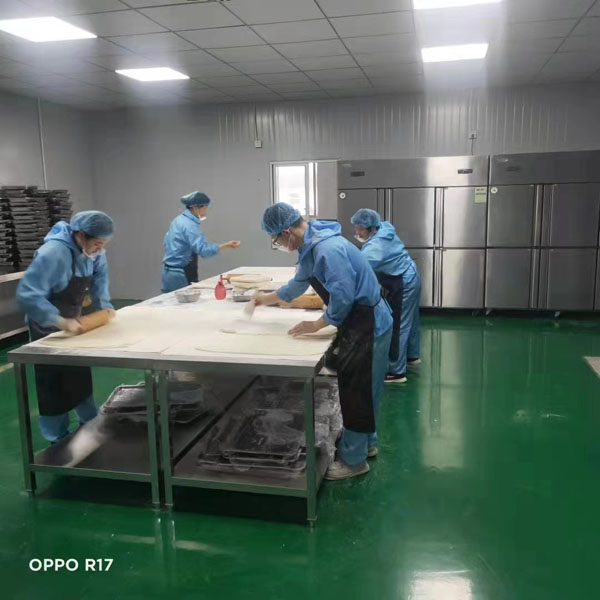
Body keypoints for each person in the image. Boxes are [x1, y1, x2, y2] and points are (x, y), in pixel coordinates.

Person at [255, 202, 393, 481]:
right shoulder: (311, 245)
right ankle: (366, 443)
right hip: (359, 319)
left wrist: (317, 324)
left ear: (286, 232)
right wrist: (264, 298)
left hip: (368, 321)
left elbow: (343, 297)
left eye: (276, 239)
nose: (278, 244)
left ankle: (354, 461)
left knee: (358, 390)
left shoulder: (327, 250)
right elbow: (298, 284)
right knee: (364, 388)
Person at [16, 211, 115, 443]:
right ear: (80, 235)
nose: (100, 249)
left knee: (79, 375)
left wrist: (105, 310)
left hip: (74, 323)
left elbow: (100, 284)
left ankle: (89, 425)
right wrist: (59, 321)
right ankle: (57, 437)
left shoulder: (95, 253)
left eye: (104, 244)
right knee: (54, 386)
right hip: (46, 326)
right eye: (97, 243)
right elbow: (28, 294)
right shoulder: (53, 253)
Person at [351, 208, 421, 384]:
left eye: (360, 229)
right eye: (356, 228)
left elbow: (359, 271)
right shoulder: (383, 228)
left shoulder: (375, 247)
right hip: (409, 274)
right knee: (410, 320)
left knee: (398, 324)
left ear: (372, 228)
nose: (357, 233)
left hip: (403, 281)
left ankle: (396, 371)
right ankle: (412, 356)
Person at [161, 191, 240, 293]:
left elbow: (167, 243)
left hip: (168, 273)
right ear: (195, 207)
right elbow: (203, 250)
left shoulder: (177, 220)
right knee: (186, 301)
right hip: (181, 275)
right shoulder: (190, 225)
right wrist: (226, 245)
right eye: (205, 208)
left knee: (169, 301)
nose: (206, 211)